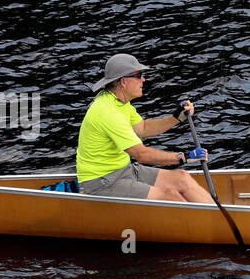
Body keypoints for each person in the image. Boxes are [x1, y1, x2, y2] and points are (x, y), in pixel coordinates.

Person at [76, 54, 214, 202]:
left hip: (124, 170)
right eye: (139, 76)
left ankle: (217, 219)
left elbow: (143, 128)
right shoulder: (107, 112)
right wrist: (183, 158)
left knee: (182, 178)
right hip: (101, 182)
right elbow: (141, 154)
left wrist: (177, 118)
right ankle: (204, 223)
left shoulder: (119, 101)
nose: (143, 80)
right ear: (123, 81)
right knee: (170, 196)